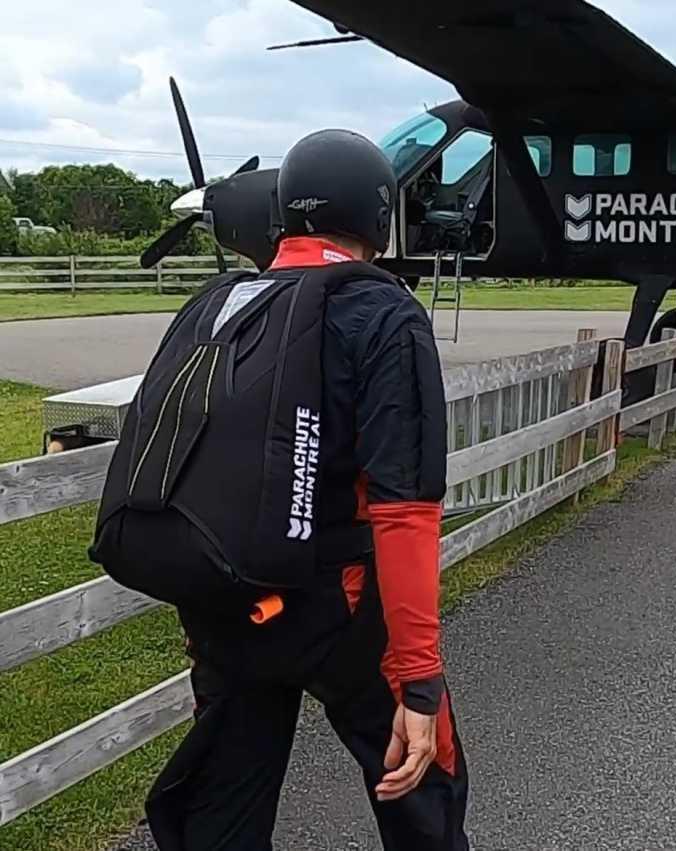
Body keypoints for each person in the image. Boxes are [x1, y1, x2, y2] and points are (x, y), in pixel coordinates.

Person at [94, 129, 469, 849]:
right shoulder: (384, 313)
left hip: (234, 602)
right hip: (343, 609)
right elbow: (406, 510)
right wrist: (418, 680)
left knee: (224, 813)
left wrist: (200, 596)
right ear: (375, 216)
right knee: (424, 784)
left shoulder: (221, 302)